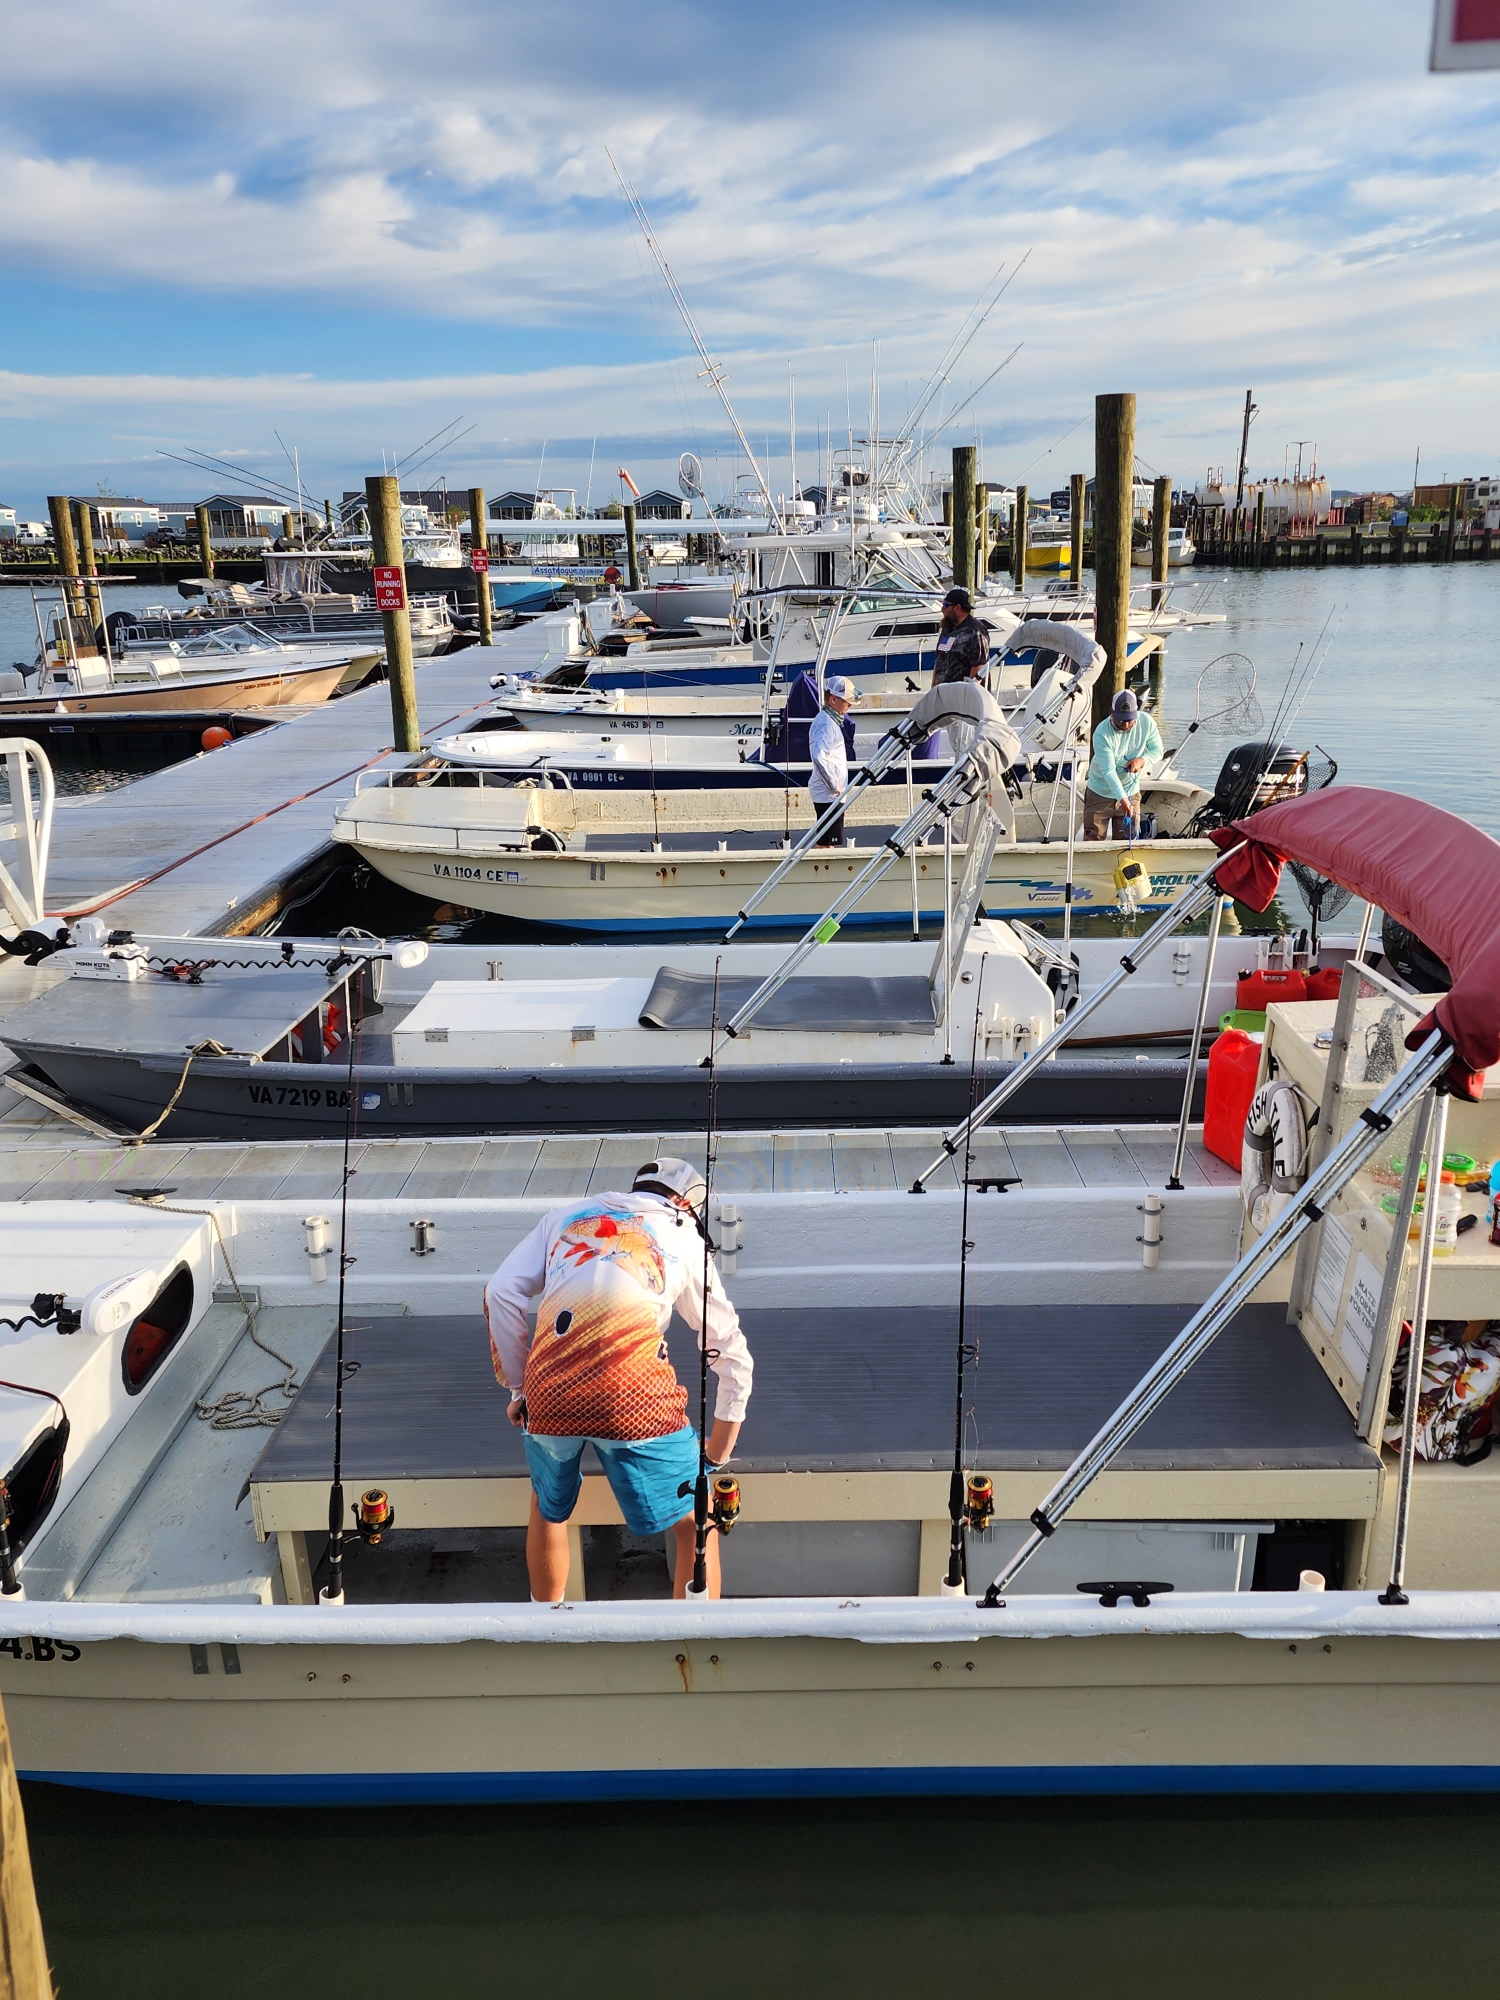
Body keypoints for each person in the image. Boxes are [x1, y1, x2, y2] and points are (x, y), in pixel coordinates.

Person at [484, 1158, 753, 1604]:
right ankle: (694, 1633)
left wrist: (519, 1387)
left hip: (549, 1394)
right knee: (695, 1520)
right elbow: (727, 1347)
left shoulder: (562, 1218)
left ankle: (544, 1626)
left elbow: (500, 1291)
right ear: (688, 1205)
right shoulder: (686, 1237)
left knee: (547, 1509)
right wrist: (719, 1450)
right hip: (634, 1400)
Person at [1083, 687, 1163, 840]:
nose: (1125, 724)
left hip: (1130, 790)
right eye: (1120, 720)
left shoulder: (1147, 722)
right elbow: (1109, 772)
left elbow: (1158, 750)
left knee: (1128, 841)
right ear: (1112, 712)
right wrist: (1122, 799)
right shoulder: (1101, 733)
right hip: (1100, 791)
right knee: (1092, 841)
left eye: (1129, 720)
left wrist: (1142, 760)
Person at [809, 674, 858, 847]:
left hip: (830, 793)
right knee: (826, 843)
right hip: (828, 794)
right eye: (847, 701)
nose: (849, 705)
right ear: (834, 699)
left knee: (828, 841)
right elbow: (819, 756)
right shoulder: (826, 724)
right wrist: (834, 785)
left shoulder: (829, 720)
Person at [931, 587, 990, 687]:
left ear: (957, 607)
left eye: (945, 605)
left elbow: (979, 666)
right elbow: (939, 660)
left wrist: (967, 691)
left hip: (962, 692)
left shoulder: (975, 631)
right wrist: (934, 688)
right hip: (943, 691)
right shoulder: (948, 627)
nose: (942, 609)